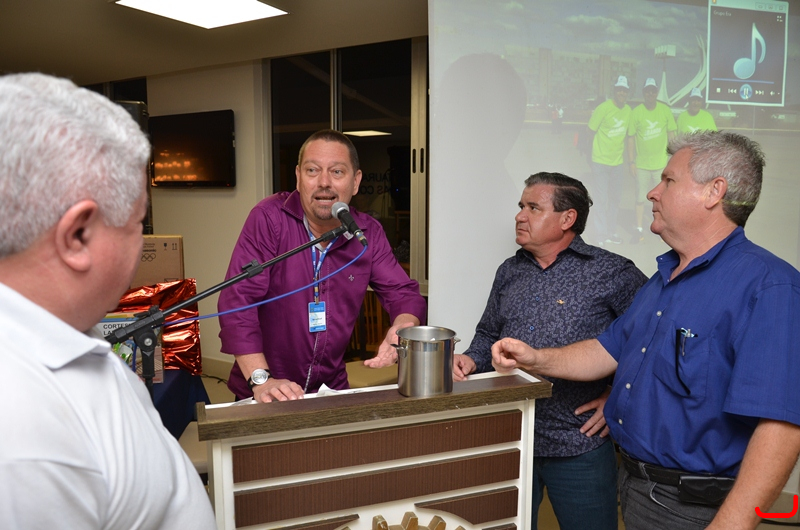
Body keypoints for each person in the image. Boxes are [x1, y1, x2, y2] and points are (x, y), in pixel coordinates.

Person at [492, 131, 800, 530]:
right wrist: (535, 358)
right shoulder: (663, 279)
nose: (653, 192)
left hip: (695, 507)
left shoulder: (770, 286)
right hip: (637, 487)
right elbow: (606, 350)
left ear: (714, 192)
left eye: (668, 180)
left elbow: (781, 429)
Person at [0, 73, 216, 528]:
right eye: (139, 224)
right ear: (78, 236)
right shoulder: (21, 437)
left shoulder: (69, 334)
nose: (142, 242)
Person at [453, 172, 647, 530]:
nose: (520, 216)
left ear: (567, 218)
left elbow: (650, 342)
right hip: (511, 439)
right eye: (521, 206)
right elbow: (487, 334)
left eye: (533, 208)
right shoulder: (509, 271)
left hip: (578, 445)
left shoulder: (612, 272)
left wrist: (616, 395)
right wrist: (470, 359)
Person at [218, 129, 426, 402]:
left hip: (330, 389)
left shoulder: (367, 233)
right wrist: (261, 379)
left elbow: (403, 293)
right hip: (264, 391)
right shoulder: (269, 219)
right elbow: (238, 302)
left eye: (337, 172)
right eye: (312, 170)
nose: (324, 182)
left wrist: (401, 329)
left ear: (355, 181)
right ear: (298, 177)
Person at [627, 77, 677, 243]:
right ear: (644, 93)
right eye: (647, 91)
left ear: (656, 93)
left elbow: (671, 135)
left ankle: (663, 227)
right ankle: (639, 228)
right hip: (641, 165)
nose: (650, 94)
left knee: (662, 199)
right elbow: (631, 138)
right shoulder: (636, 112)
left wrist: (674, 160)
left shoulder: (665, 111)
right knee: (640, 198)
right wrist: (631, 162)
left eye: (653, 91)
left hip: (661, 165)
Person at [587, 75, 632, 246]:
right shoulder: (603, 108)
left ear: (627, 93)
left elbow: (630, 136)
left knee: (615, 199)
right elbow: (590, 131)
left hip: (617, 163)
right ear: (614, 91)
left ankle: (611, 231)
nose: (622, 93)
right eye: (619, 90)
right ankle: (600, 234)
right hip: (600, 161)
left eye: (624, 90)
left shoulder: (628, 111)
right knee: (601, 199)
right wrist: (591, 156)